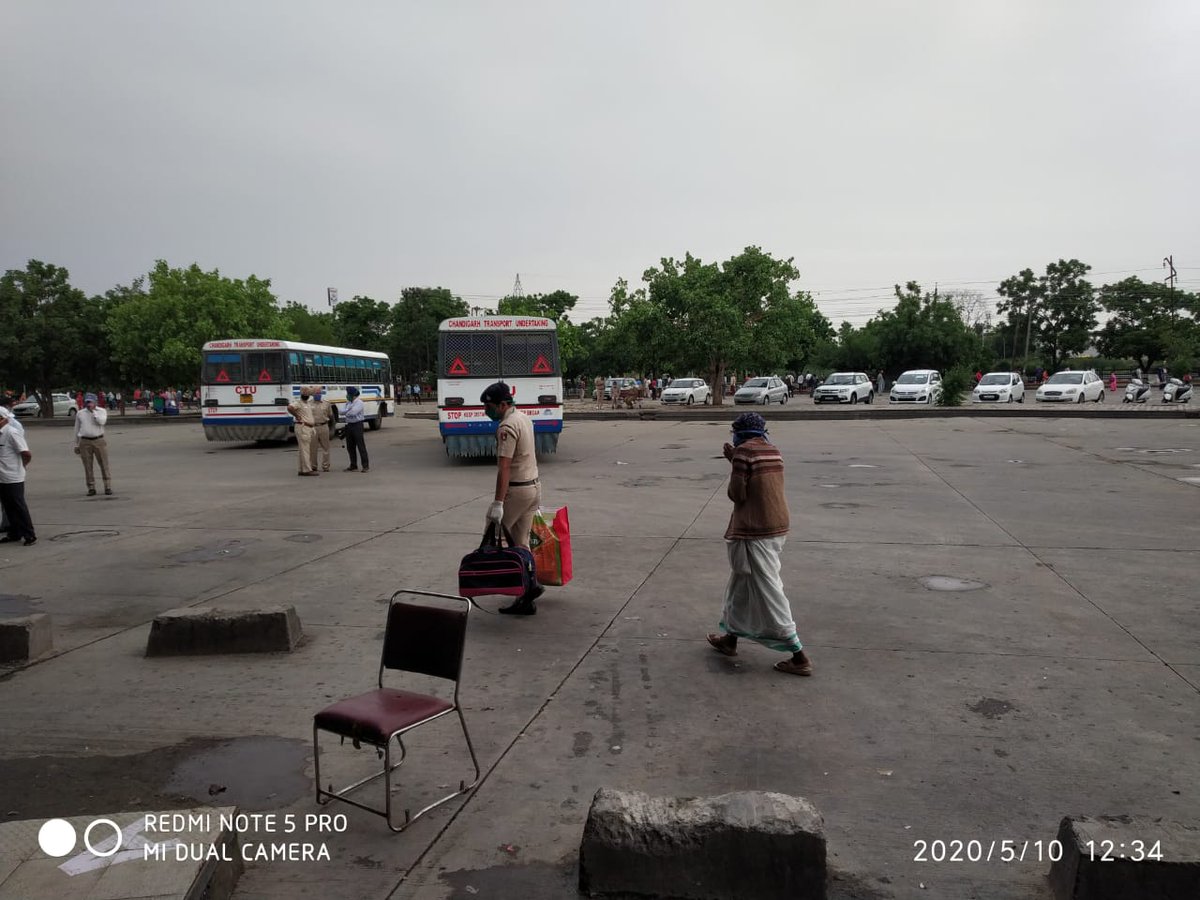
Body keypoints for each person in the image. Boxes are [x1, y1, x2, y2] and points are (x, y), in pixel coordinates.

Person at [706, 412, 811, 677]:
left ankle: (798, 654)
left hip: (754, 529)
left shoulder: (743, 452)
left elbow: (737, 494)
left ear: (739, 433)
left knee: (768, 589)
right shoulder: (773, 451)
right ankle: (730, 639)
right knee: (740, 584)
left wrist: (735, 462)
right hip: (776, 527)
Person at [481, 381, 543, 615]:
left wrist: (498, 503)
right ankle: (529, 591)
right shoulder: (524, 418)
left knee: (493, 537)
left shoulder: (506, 427)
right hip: (534, 487)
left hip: (516, 491)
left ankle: (517, 586)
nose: (486, 411)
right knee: (521, 542)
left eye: (489, 406)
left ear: (503, 404)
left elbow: (504, 468)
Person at [0, 407, 36, 546]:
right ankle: (14, 532)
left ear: (3, 419)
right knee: (8, 506)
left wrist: (22, 467)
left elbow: (26, 453)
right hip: (1, 476)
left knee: (18, 505)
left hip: (13, 476)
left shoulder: (11, 433)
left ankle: (29, 534)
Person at [74, 392, 113, 496]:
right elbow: (77, 429)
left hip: (99, 440)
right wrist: (76, 444)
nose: (88, 404)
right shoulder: (80, 413)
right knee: (87, 465)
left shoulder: (101, 411)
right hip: (85, 441)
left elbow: (101, 422)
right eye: (87, 402)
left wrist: (94, 413)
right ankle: (91, 487)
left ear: (95, 402)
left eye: (91, 402)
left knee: (104, 464)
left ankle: (107, 486)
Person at [287, 387, 319, 476]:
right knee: (305, 449)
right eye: (306, 394)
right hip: (303, 427)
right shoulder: (298, 402)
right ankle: (307, 470)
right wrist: (297, 415)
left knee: (303, 449)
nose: (307, 396)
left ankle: (301, 469)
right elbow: (289, 408)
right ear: (302, 395)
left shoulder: (307, 403)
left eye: (308, 394)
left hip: (308, 427)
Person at [342, 386, 369, 472]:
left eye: (348, 394)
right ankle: (353, 465)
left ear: (352, 394)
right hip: (349, 425)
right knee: (350, 447)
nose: (347, 395)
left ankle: (365, 466)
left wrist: (346, 411)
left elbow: (353, 412)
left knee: (361, 446)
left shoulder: (359, 402)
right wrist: (347, 411)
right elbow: (341, 411)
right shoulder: (348, 403)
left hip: (357, 425)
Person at [308, 386, 332, 473]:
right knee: (312, 448)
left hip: (324, 426)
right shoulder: (309, 404)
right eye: (316, 393)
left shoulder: (326, 403)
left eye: (319, 393)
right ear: (312, 394)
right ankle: (313, 466)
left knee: (326, 447)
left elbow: (330, 414)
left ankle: (326, 466)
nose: (317, 395)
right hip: (313, 427)